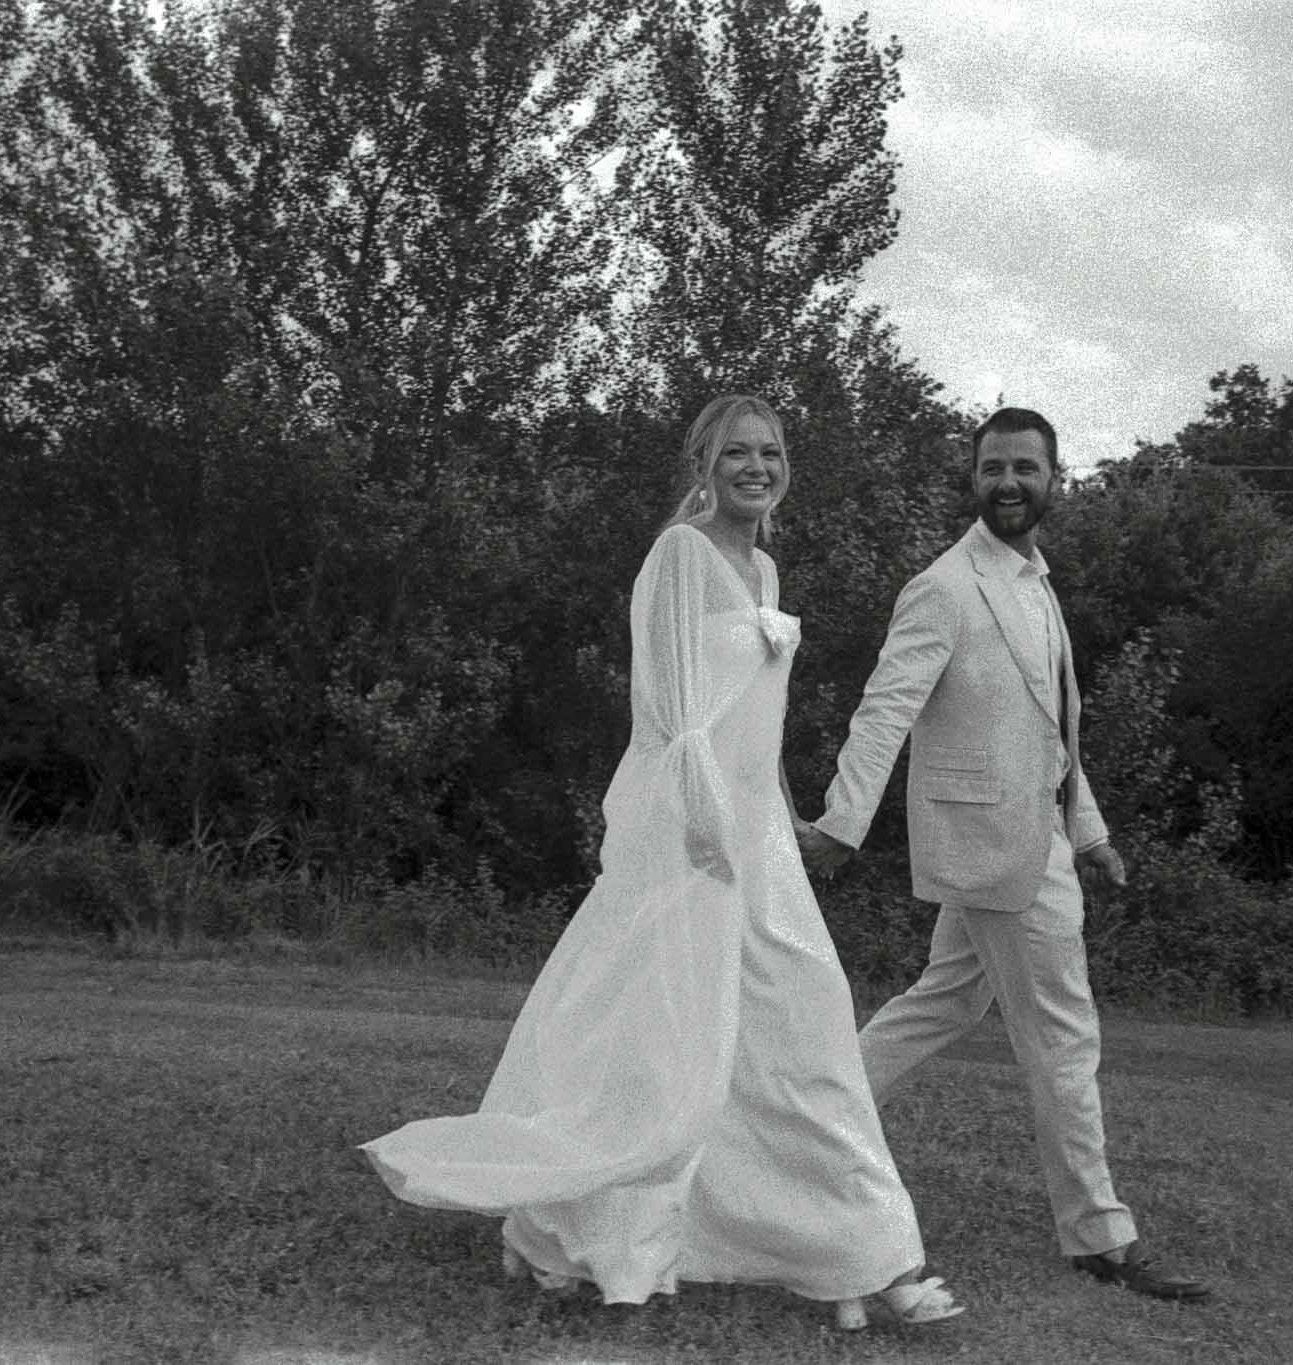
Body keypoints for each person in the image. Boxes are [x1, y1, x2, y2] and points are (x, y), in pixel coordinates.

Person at [362, 395, 962, 1331]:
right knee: (660, 1034)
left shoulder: (762, 564)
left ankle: (858, 1246)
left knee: (803, 1026)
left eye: (769, 452)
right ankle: (605, 1230)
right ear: (703, 463)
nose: (755, 467)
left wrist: (774, 810)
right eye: (736, 453)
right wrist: (703, 824)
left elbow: (748, 715)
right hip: (694, 839)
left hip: (759, 836)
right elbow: (671, 710)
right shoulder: (680, 555)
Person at [797, 406, 1211, 1303]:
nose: (1010, 481)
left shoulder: (1038, 582)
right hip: (996, 849)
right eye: (994, 467)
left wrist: (1090, 832)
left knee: (938, 1004)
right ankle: (1101, 1235)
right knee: (1066, 1037)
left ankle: (801, 1121)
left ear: (1055, 477)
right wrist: (840, 820)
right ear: (973, 476)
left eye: (1027, 466)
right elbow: (884, 709)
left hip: (1038, 840)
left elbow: (1052, 735)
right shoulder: (945, 585)